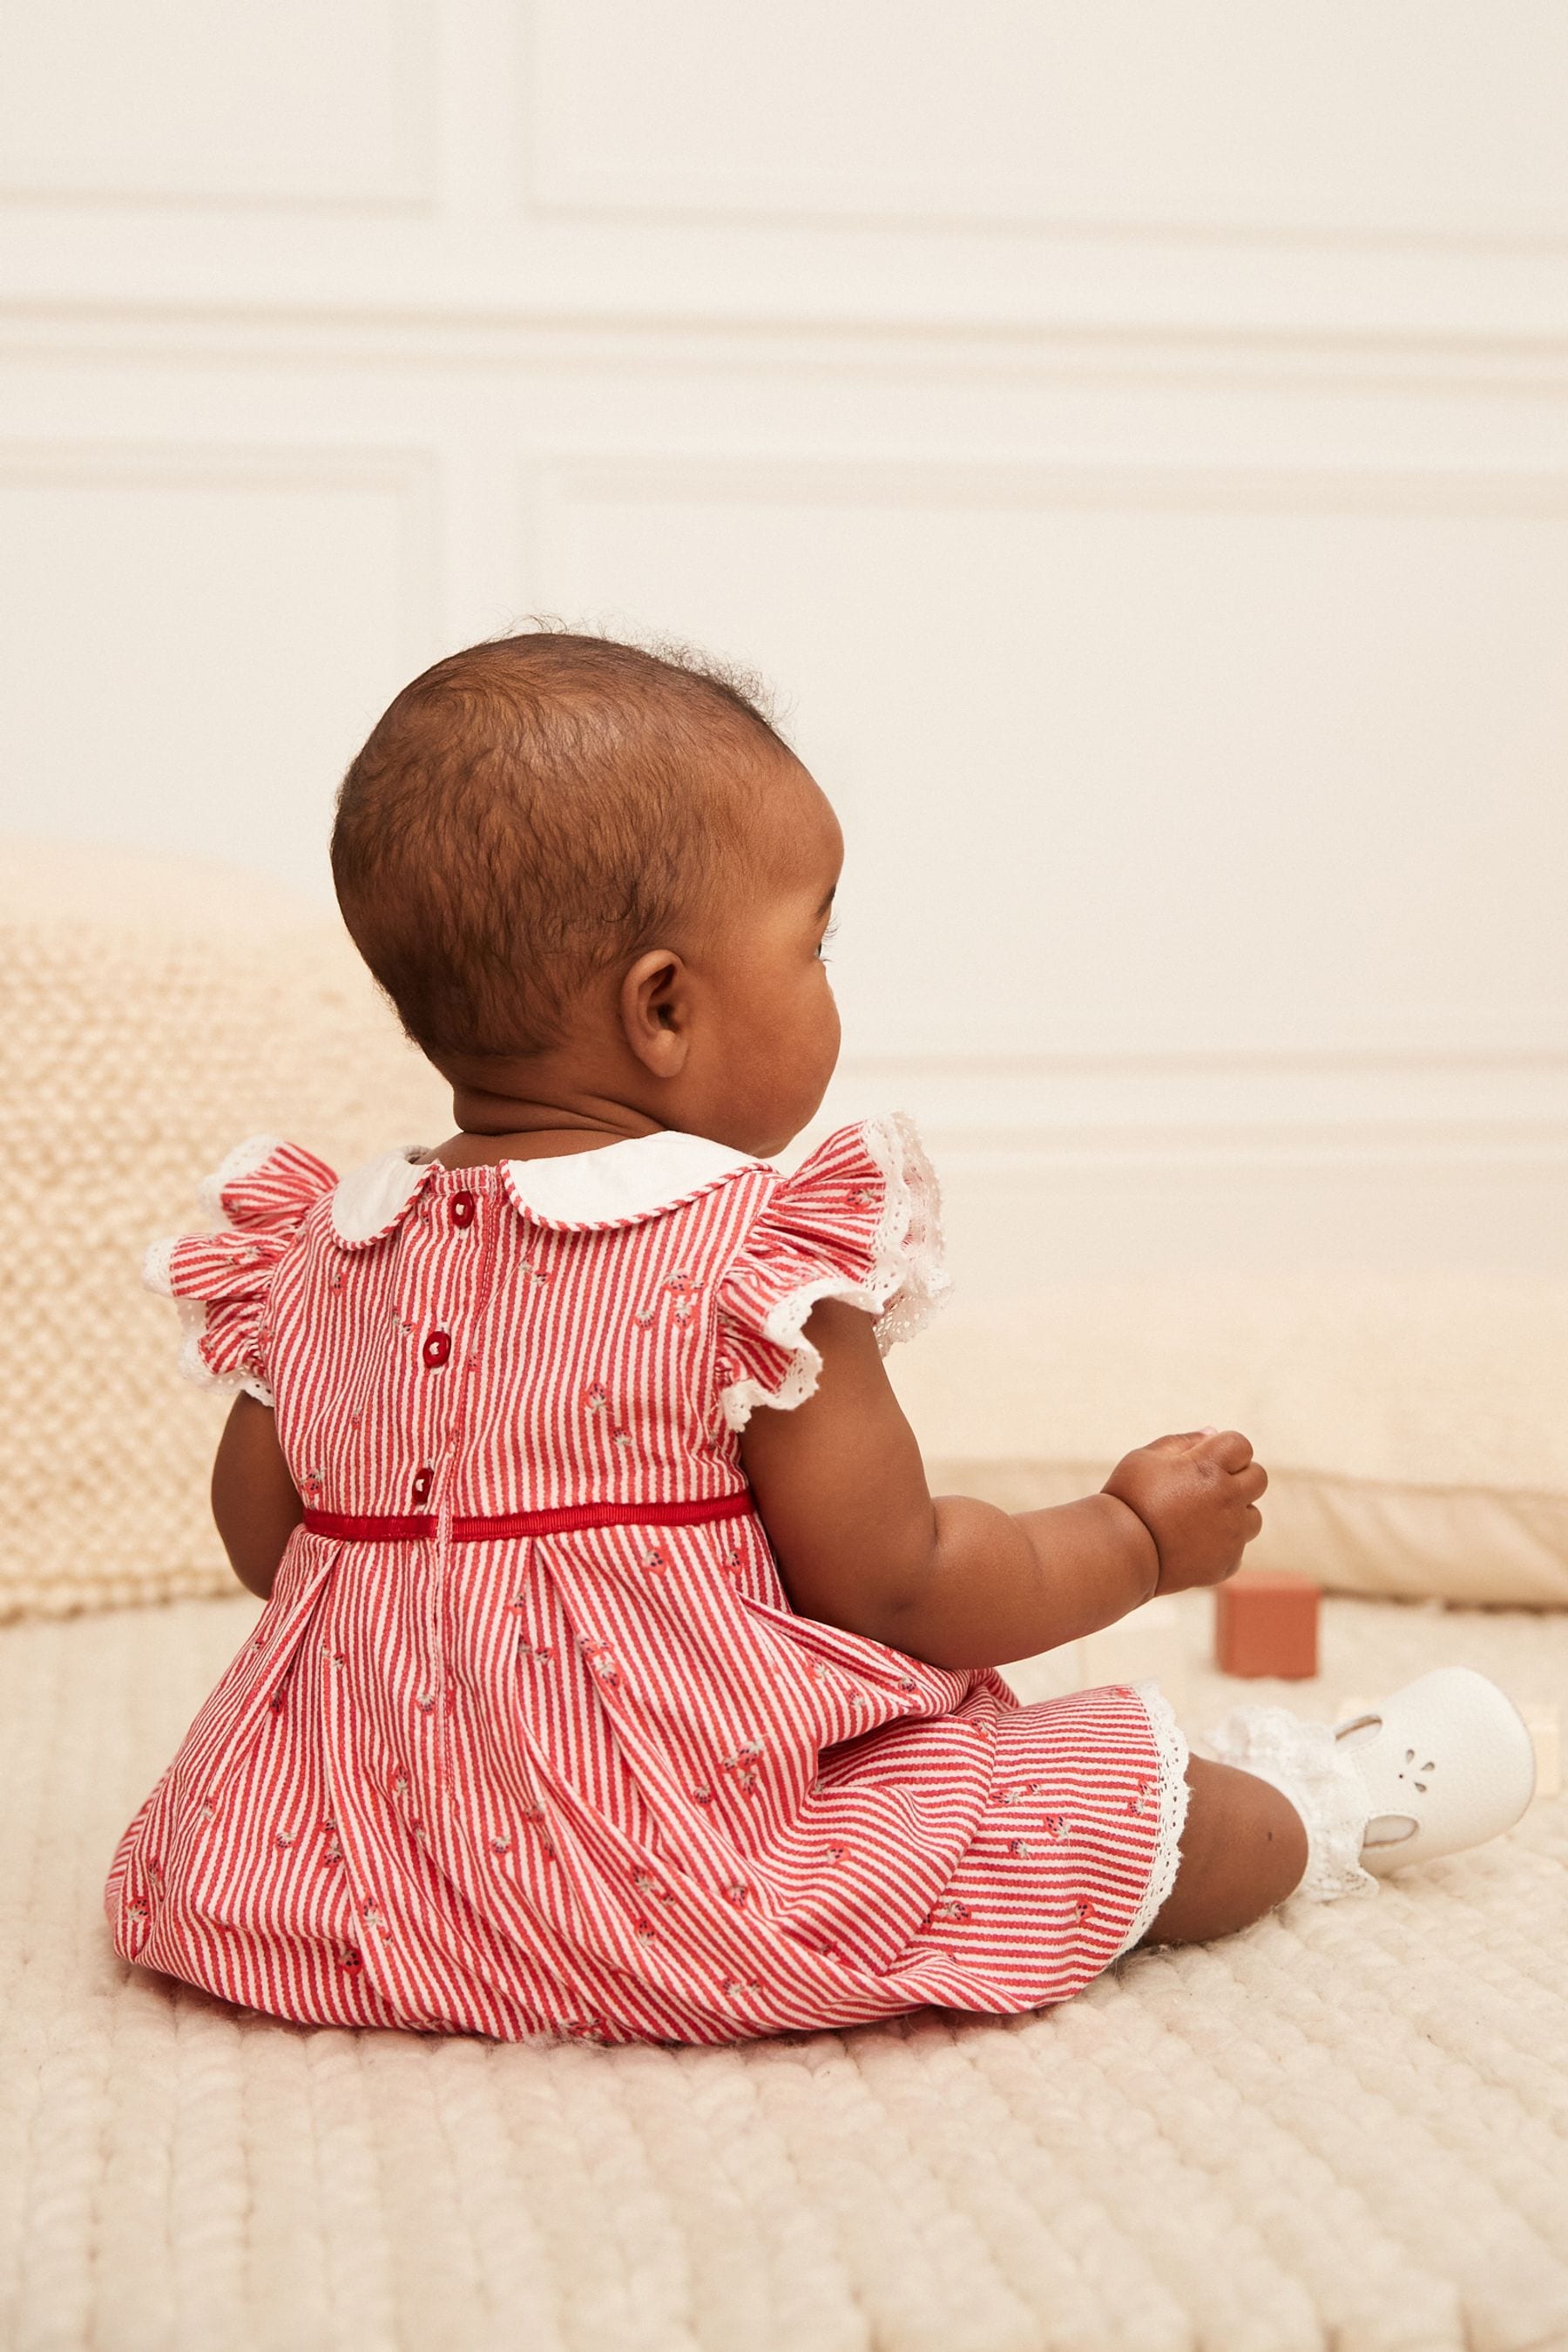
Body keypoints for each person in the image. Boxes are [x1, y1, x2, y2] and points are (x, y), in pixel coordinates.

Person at [106, 632, 1537, 2043]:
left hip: (364, 1877)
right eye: (816, 937)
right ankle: (1328, 1807)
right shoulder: (748, 1264)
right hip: (698, 1883)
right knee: (1130, 1811)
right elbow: (904, 1586)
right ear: (663, 1007)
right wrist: (1133, 1540)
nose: (829, 974)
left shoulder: (327, 1254)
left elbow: (268, 1548)